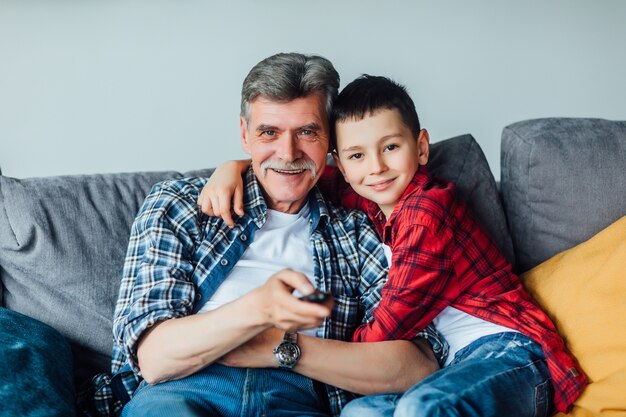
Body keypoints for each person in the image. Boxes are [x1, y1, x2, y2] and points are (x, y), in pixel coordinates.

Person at [198, 75, 587, 416]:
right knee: (360, 412)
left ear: (420, 147)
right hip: (449, 367)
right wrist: (233, 167)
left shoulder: (428, 212)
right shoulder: (368, 198)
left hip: (508, 354)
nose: (376, 167)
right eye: (357, 156)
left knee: (423, 409)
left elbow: (389, 326)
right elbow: (299, 171)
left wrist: (337, 358)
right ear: (343, 164)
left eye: (390, 147)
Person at [89, 54, 444, 417]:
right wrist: (260, 308)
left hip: (297, 396)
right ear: (245, 134)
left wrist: (285, 346)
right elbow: (154, 359)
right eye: (269, 132)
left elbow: (419, 363)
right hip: (182, 391)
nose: (288, 154)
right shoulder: (181, 205)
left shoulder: (355, 230)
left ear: (330, 143)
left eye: (307, 132)